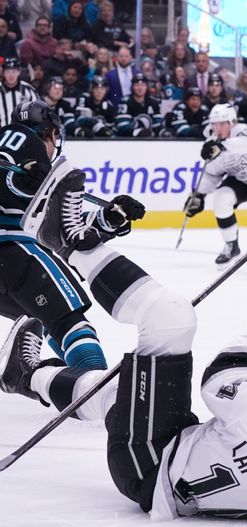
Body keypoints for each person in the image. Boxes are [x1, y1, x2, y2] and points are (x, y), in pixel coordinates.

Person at [0, 158, 247, 521]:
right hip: (162, 466)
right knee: (122, 394)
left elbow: (228, 364)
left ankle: (71, 242)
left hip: (151, 459)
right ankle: (26, 375)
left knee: (170, 320)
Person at [0, 100, 142, 373]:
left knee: (44, 318)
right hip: (15, 255)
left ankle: (35, 381)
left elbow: (56, 224)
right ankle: (94, 392)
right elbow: (63, 231)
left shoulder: (17, 159)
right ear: (48, 133)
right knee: (70, 324)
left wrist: (108, 219)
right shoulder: (31, 160)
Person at [183, 104, 247, 265]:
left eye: (221, 124)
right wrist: (198, 194)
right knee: (221, 198)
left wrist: (221, 147)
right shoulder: (213, 144)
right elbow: (211, 173)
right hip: (241, 181)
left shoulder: (241, 130)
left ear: (232, 122)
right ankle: (231, 245)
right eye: (214, 124)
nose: (217, 128)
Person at [114, 72, 162, 137]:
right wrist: (138, 132)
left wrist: (155, 133)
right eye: (137, 85)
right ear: (132, 87)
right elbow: (122, 126)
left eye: (142, 85)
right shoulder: (125, 102)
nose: (140, 88)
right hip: (128, 141)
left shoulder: (154, 103)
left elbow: (158, 124)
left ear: (146, 87)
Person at [0, 58, 39, 127]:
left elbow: (38, 112)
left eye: (14, 71)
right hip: (2, 133)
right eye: (8, 71)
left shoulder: (29, 90)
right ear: (3, 73)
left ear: (19, 72)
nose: (11, 75)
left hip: (25, 133)